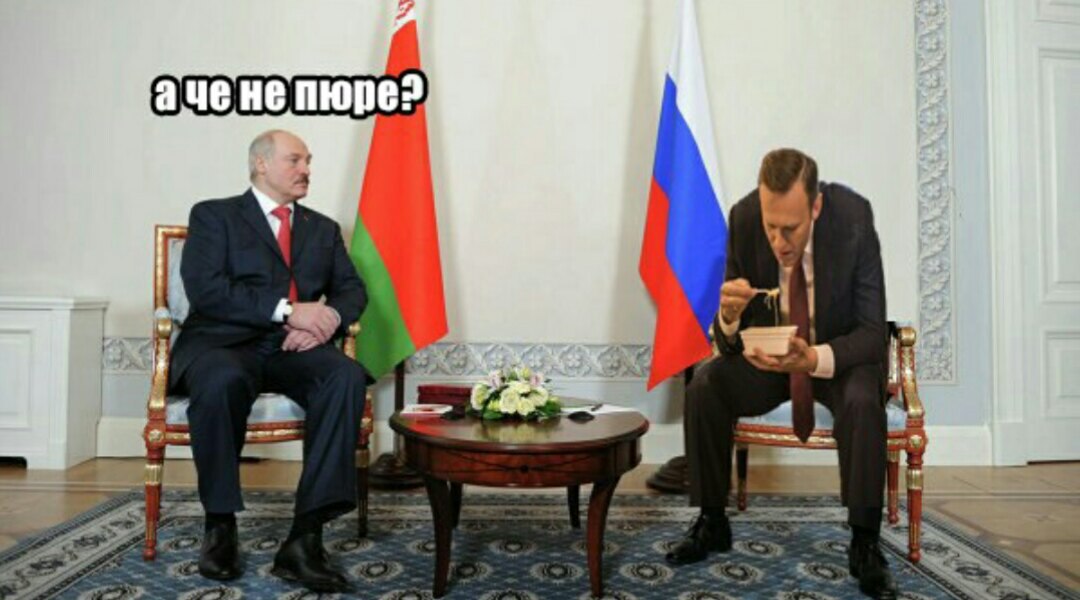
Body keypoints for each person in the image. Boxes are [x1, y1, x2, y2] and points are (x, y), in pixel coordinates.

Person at [666, 148, 897, 599]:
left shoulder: (854, 221)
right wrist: (728, 317)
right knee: (706, 385)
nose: (779, 240)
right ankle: (712, 521)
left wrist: (813, 358)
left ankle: (865, 542)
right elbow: (729, 341)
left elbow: (872, 334)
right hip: (772, 358)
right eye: (771, 226)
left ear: (816, 206)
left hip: (836, 357)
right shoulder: (744, 218)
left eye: (790, 228)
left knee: (861, 400)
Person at [169, 130, 368, 594]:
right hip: (222, 343)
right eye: (295, 160)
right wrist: (288, 311)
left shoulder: (322, 228)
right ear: (261, 164)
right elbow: (207, 289)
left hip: (291, 348)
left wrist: (325, 322)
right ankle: (220, 524)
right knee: (220, 380)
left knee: (344, 376)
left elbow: (351, 290)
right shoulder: (214, 215)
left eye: (308, 161)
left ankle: (305, 537)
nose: (306, 170)